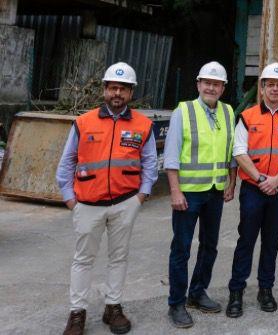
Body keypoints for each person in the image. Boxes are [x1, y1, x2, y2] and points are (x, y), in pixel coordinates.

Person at [57, 62, 158, 335]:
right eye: (113, 87)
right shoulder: (83, 122)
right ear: (104, 89)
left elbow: (150, 162)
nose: (117, 93)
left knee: (119, 257)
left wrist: (142, 194)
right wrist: (69, 198)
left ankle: (113, 307)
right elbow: (66, 162)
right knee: (83, 259)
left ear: (131, 93)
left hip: (126, 203)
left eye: (123, 89)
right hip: (87, 204)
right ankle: (77, 312)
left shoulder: (143, 125)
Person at [225, 62, 278, 318]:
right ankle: (236, 292)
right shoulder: (247, 117)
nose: (275, 89)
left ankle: (265, 290)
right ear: (262, 87)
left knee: (272, 241)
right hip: (253, 190)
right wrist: (260, 179)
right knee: (246, 240)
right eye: (271, 85)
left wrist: (276, 180)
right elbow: (239, 151)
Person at [165, 61, 236, 328]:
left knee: (210, 246)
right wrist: (174, 190)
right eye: (207, 82)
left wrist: (231, 182)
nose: (211, 87)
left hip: (215, 193)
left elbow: (231, 152)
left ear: (223, 88)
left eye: (216, 84)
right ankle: (176, 303)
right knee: (181, 249)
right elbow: (171, 156)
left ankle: (197, 292)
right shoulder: (183, 111)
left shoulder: (229, 112)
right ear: (198, 84)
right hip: (188, 194)